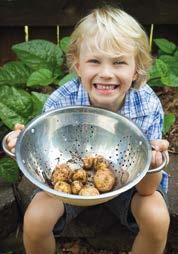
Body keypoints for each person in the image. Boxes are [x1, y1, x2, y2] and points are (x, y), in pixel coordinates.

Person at [7, 6, 170, 254]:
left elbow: (146, 189)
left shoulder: (146, 105)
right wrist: (19, 142)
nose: (106, 73)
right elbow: (42, 157)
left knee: (157, 217)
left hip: (131, 185)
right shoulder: (62, 102)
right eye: (94, 61)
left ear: (136, 69)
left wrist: (153, 162)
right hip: (70, 185)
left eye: (119, 63)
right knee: (36, 219)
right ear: (78, 64)